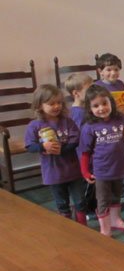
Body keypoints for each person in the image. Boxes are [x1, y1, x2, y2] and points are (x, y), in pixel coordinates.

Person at [78, 85, 124, 236]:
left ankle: (115, 220)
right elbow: (85, 152)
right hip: (101, 171)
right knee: (103, 200)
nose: (101, 108)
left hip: (119, 166)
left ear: (111, 102)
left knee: (116, 194)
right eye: (96, 106)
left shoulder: (120, 119)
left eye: (104, 103)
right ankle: (105, 229)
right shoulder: (89, 127)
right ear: (89, 108)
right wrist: (85, 171)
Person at [24, 84, 87, 225]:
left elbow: (75, 140)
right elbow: (30, 146)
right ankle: (67, 227)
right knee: (62, 203)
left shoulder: (68, 121)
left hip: (73, 170)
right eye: (51, 103)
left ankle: (83, 227)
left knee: (80, 201)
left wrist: (62, 149)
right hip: (53, 172)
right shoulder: (34, 125)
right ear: (40, 106)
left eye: (59, 102)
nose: (56, 106)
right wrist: (42, 146)